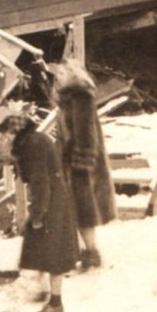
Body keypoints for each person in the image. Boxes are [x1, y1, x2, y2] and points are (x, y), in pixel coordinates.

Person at [0, 112, 78, 312]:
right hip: (53, 197)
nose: (4, 140)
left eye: (6, 135)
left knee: (53, 253)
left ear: (15, 132)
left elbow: (40, 181)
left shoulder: (32, 146)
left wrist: (38, 215)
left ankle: (56, 302)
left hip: (51, 202)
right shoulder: (34, 140)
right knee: (39, 246)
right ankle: (43, 290)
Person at [51, 59, 117, 269]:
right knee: (76, 209)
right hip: (71, 161)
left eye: (61, 74)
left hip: (81, 164)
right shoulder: (67, 100)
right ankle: (83, 251)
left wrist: (80, 161)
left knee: (84, 209)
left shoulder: (80, 98)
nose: (57, 78)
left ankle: (91, 252)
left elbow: (86, 133)